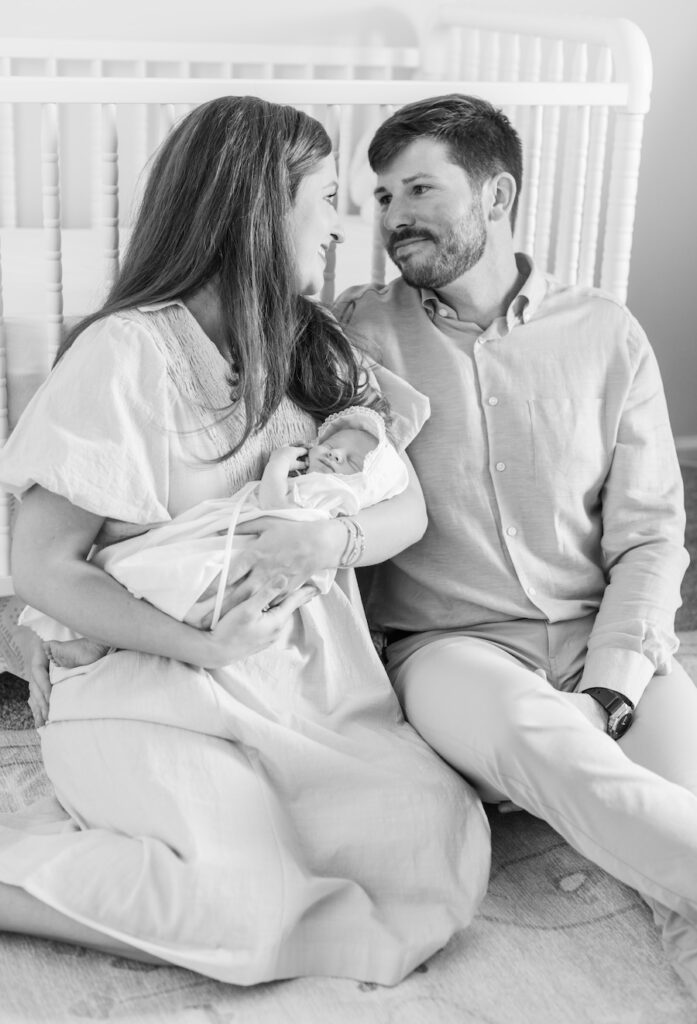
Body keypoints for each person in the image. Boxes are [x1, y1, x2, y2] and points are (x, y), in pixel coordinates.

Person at [0, 95, 490, 985]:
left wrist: (329, 539)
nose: (342, 226)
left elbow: (404, 510)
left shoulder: (314, 344)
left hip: (298, 692)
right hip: (151, 686)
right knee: (249, 907)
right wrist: (203, 645)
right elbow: (40, 563)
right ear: (260, 207)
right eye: (327, 199)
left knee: (437, 845)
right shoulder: (126, 353)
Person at [334, 93, 697, 997]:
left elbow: (651, 533)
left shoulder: (604, 333)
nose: (393, 215)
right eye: (382, 196)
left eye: (419, 188)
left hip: (598, 631)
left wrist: (612, 683)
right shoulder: (354, 336)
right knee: (558, 753)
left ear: (495, 196)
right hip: (450, 649)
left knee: (670, 820)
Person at [39, 405, 409, 667]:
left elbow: (276, 509)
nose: (337, 454)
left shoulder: (334, 495)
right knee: (160, 575)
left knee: (169, 576)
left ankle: (102, 641)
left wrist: (278, 465)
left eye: (353, 461)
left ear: (365, 484)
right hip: (235, 542)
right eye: (332, 444)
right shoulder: (315, 482)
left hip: (248, 556)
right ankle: (102, 640)